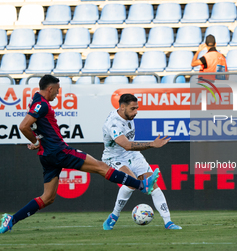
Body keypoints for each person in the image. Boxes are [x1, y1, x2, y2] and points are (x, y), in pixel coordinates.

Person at [0, 75, 160, 234]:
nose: (58, 93)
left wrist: (38, 141)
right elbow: (23, 126)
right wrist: (35, 141)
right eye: (57, 89)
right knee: (101, 167)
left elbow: (32, 125)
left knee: (48, 197)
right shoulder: (41, 104)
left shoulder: (36, 101)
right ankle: (142, 185)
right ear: (50, 89)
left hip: (47, 155)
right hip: (58, 151)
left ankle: (11, 220)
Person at [102, 94, 182, 230]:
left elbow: (129, 148)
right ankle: (114, 216)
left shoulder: (127, 115)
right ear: (122, 107)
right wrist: (152, 144)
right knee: (131, 183)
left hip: (133, 155)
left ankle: (168, 222)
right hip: (114, 158)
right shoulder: (113, 123)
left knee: (153, 185)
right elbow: (126, 145)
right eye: (133, 109)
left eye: (137, 108)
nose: (136, 112)